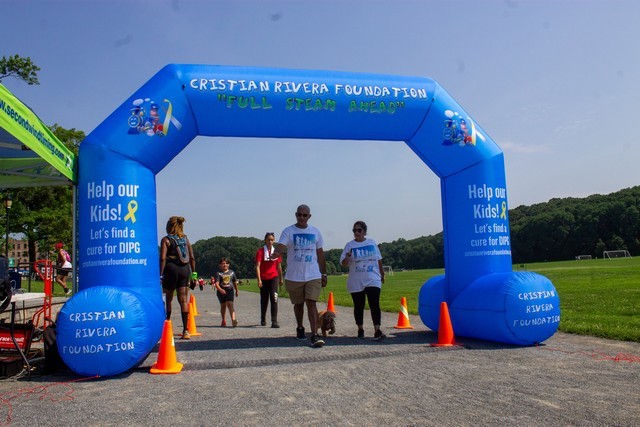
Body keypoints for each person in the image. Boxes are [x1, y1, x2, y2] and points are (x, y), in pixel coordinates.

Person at [271, 204, 328, 347]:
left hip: (313, 274)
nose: (301, 217)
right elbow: (282, 245)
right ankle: (300, 327)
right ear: (296, 215)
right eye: (299, 215)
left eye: (304, 215)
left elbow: (320, 254)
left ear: (309, 216)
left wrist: (324, 273)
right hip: (294, 276)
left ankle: (314, 335)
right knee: (298, 304)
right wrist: (277, 252)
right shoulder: (289, 231)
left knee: (311, 303)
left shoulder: (315, 232)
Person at [340, 221, 386, 341]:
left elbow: (378, 259)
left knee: (374, 304)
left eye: (359, 230)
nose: (357, 232)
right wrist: (347, 257)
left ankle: (377, 330)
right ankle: (360, 329)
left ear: (364, 232)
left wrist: (382, 273)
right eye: (354, 230)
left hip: (372, 278)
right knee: (358, 306)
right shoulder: (349, 245)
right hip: (356, 280)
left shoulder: (371, 242)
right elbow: (343, 264)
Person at [159, 216, 196, 339]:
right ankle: (186, 330)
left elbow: (163, 258)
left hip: (171, 270)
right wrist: (194, 275)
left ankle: (167, 326)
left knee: (168, 299)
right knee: (183, 300)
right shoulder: (185, 239)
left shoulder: (166, 240)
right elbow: (192, 258)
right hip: (184, 270)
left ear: (169, 226)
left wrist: (160, 274)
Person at [255, 232, 284, 328]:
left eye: (272, 240)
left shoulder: (276, 252)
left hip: (274, 277)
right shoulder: (260, 251)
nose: (270, 241)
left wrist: (281, 278)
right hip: (264, 278)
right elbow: (258, 266)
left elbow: (279, 266)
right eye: (268, 240)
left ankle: (274, 321)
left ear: (274, 241)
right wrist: (259, 279)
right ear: (265, 240)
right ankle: (263, 318)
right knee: (264, 300)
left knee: (274, 298)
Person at [215, 257, 238, 327]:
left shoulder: (232, 272)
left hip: (230, 290)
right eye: (223, 263)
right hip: (221, 291)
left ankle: (233, 320)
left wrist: (237, 290)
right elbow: (216, 284)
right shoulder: (219, 273)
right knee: (223, 306)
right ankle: (223, 320)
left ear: (228, 264)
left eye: (226, 263)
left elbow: (234, 282)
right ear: (220, 265)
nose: (225, 265)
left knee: (230, 304)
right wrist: (220, 290)